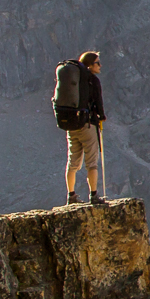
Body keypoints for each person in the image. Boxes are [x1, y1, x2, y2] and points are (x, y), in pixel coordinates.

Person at [64, 50, 107, 205]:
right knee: (92, 162)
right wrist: (101, 116)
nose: (100, 66)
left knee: (73, 162)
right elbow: (98, 103)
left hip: (71, 125)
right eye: (97, 63)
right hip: (88, 125)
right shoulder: (92, 81)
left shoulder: (72, 80)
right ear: (89, 65)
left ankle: (71, 195)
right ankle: (94, 195)